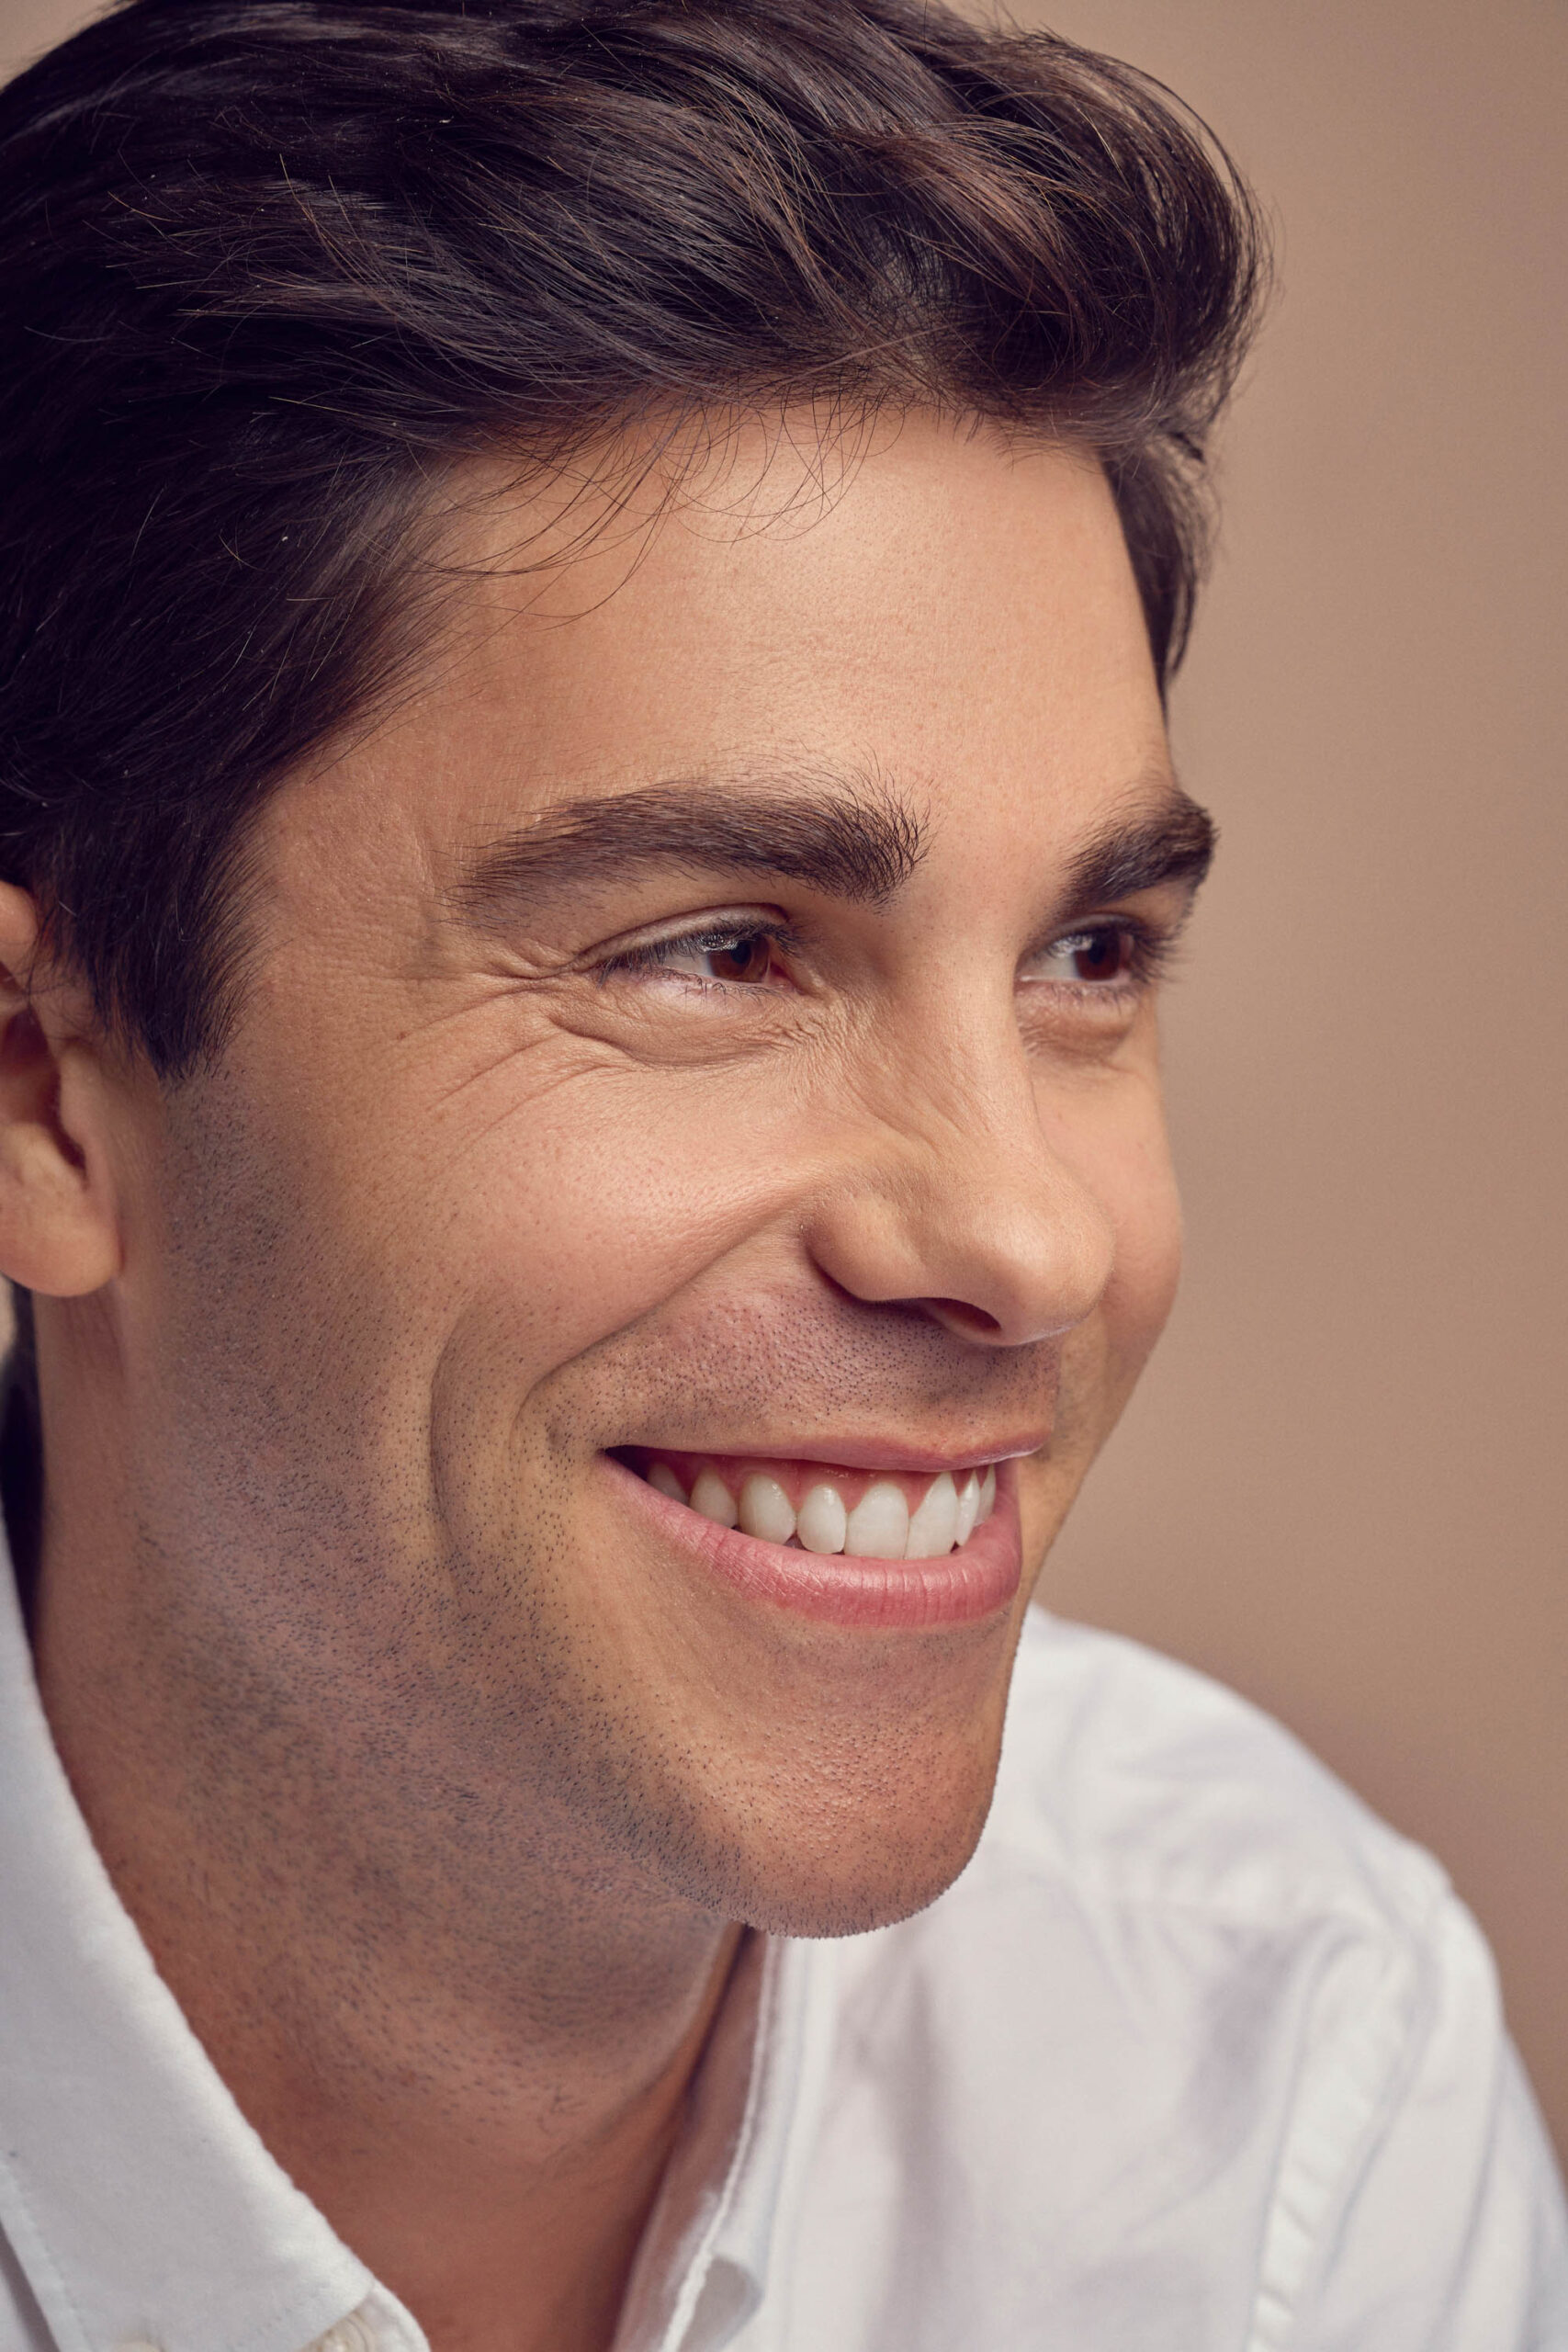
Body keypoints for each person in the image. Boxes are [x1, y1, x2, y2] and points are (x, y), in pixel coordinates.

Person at [0, 1, 1562, 2346]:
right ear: (42, 1091)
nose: (1029, 1241)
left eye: (1088, 951)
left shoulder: (1281, 2094)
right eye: (719, 950)